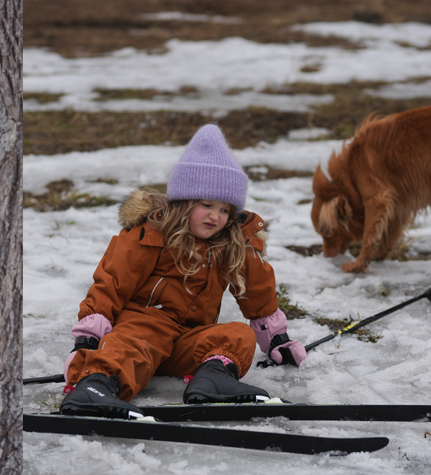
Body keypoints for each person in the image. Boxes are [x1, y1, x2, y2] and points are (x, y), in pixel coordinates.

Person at [60, 124, 308, 418]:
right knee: (135, 340)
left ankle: (213, 379)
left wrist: (277, 340)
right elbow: (110, 284)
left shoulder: (233, 242)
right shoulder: (151, 233)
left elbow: (256, 291)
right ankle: (96, 385)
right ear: (184, 202)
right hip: (144, 330)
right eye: (206, 205)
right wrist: (87, 340)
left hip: (190, 341)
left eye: (225, 209)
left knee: (237, 334)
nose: (216, 216)